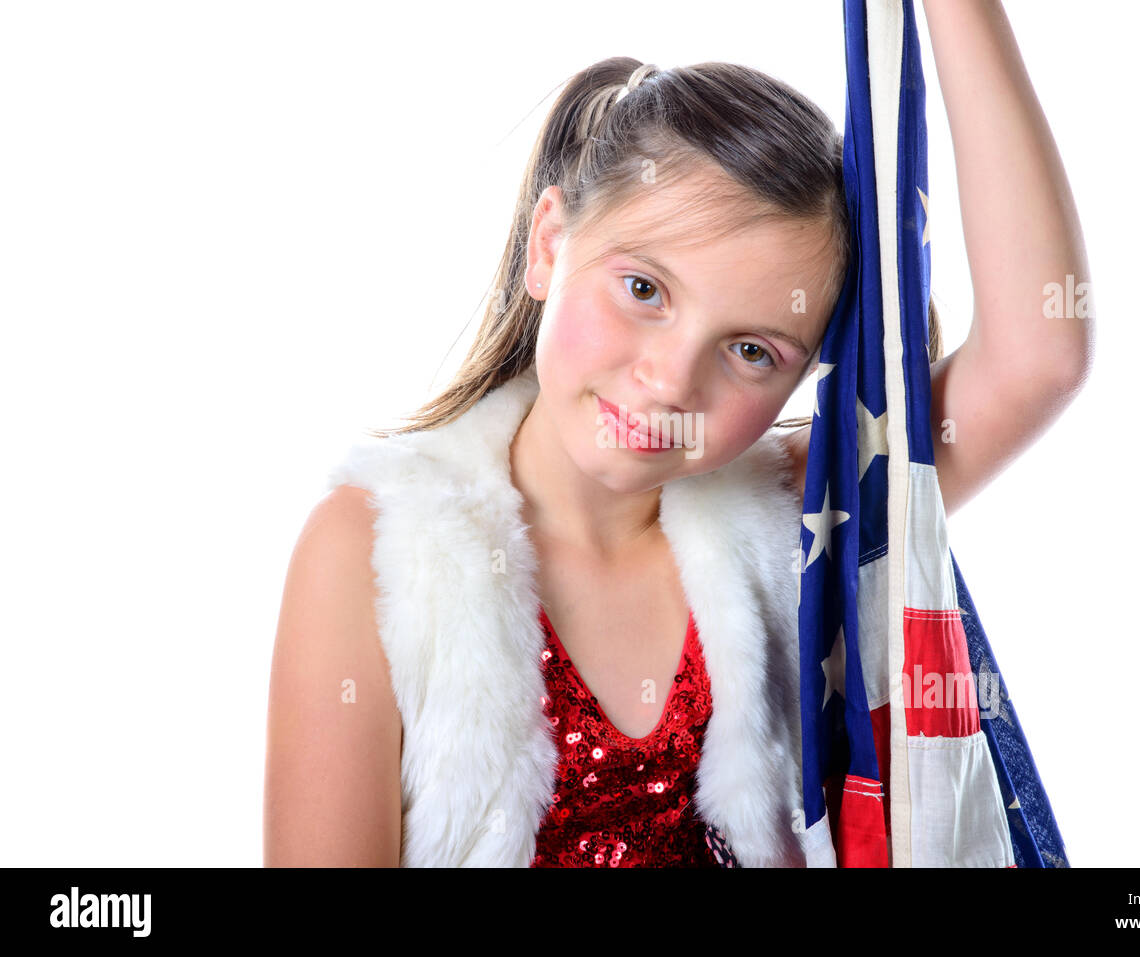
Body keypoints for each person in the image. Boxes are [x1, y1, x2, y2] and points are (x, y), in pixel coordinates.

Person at [265, 10, 1091, 867]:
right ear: (549, 245)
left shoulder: (800, 524)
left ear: (802, 373)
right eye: (643, 288)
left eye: (749, 350)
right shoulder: (376, 549)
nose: (668, 380)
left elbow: (1041, 354)